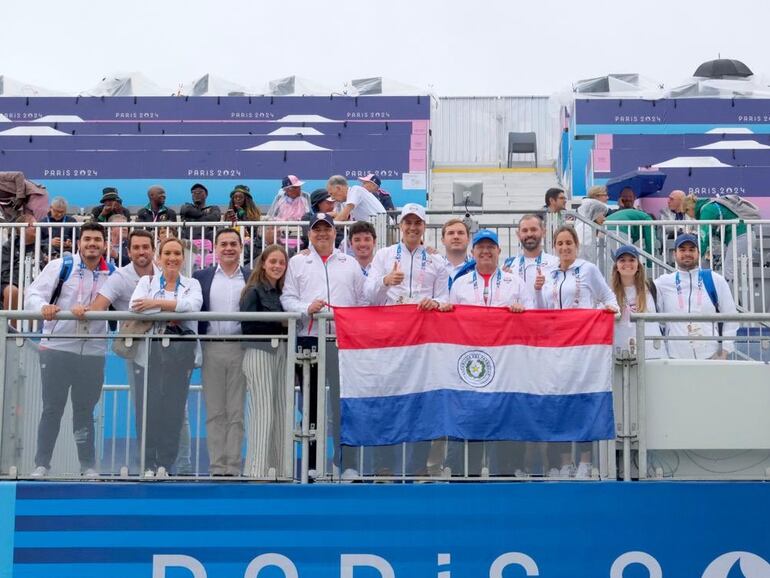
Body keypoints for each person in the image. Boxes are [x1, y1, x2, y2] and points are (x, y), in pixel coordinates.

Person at [24, 222, 114, 478]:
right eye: (87, 239)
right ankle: (42, 464)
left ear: (104, 245)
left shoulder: (112, 272)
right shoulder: (60, 266)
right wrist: (44, 307)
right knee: (52, 408)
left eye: (97, 239)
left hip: (94, 351)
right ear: (79, 243)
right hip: (57, 348)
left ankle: (87, 466)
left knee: (85, 411)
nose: (92, 244)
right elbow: (33, 294)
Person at [281, 213, 366, 476]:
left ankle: (347, 464)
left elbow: (362, 301)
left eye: (326, 229)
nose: (322, 234)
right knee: (311, 405)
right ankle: (312, 465)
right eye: (316, 230)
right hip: (310, 341)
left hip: (344, 343)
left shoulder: (349, 263)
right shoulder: (297, 262)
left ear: (334, 232)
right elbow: (287, 299)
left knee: (345, 405)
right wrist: (307, 309)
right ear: (309, 234)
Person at [535, 225, 618, 479]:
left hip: (583, 346)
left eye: (568, 243)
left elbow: (609, 298)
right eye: (559, 244)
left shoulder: (588, 269)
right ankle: (565, 461)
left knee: (582, 401)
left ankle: (584, 461)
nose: (564, 248)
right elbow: (541, 310)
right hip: (556, 347)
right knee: (559, 403)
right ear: (554, 247)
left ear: (576, 245)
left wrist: (606, 314)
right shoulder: (548, 273)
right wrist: (537, 290)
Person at [129, 237, 202, 477]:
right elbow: (135, 306)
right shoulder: (146, 280)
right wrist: (171, 306)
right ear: (158, 258)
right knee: (149, 408)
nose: (172, 258)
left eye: (177, 253)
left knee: (173, 409)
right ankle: (148, 463)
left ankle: (164, 464)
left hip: (181, 354)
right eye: (167, 253)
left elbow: (192, 306)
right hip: (149, 353)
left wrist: (155, 303)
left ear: (183, 258)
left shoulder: (192, 283)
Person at [192, 228, 251, 476]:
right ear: (215, 248)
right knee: (215, 411)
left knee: (236, 412)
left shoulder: (251, 276)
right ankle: (217, 467)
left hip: (240, 348)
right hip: (211, 348)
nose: (228, 248)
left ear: (241, 247)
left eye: (233, 244)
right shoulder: (201, 277)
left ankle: (233, 467)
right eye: (223, 244)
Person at [240, 244, 289, 478]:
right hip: (258, 351)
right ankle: (256, 470)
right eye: (273, 262)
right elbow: (247, 325)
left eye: (281, 262)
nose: (277, 266)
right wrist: (279, 323)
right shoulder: (253, 290)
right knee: (262, 412)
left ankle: (279, 468)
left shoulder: (284, 292)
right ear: (263, 264)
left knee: (280, 411)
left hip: (281, 352)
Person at [654, 234, 739, 360]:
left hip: (710, 356)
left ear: (698, 253)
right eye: (682, 250)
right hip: (675, 358)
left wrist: (725, 350)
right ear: (674, 254)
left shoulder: (715, 280)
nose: (687, 253)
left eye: (691, 249)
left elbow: (731, 316)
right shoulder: (663, 283)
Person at [365, 203, 449, 308]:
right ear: (401, 225)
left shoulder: (436, 259)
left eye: (418, 223)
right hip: (393, 320)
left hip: (423, 320)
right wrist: (385, 281)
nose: (413, 227)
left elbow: (444, 297)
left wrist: (435, 303)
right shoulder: (383, 254)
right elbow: (369, 295)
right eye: (408, 223)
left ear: (424, 226)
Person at [446, 229, 531, 310]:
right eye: (480, 247)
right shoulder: (459, 284)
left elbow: (530, 312)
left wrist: (522, 309)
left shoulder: (516, 283)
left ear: (499, 251)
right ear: (472, 253)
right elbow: (452, 318)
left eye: (490, 247)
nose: (486, 251)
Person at [610, 245, 665, 359]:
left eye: (632, 260)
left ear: (638, 266)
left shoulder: (651, 288)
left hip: (651, 353)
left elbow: (662, 317)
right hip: (621, 355)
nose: (627, 264)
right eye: (622, 260)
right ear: (616, 267)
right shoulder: (610, 294)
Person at [503, 214, 559, 304]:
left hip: (545, 316)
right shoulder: (509, 266)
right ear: (518, 234)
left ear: (543, 232)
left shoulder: (556, 263)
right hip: (519, 317)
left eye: (533, 229)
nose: (529, 234)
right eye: (525, 230)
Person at [696, 197, 750, 282]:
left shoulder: (707, 210)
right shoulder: (710, 206)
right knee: (730, 271)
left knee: (729, 271)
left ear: (689, 208)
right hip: (740, 236)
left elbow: (704, 238)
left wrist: (696, 256)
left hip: (740, 236)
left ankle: (727, 295)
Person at [2, 214, 48, 313]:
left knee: (35, 294)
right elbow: (5, 273)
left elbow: (53, 267)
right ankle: (11, 328)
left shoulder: (43, 246)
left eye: (37, 225)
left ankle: (33, 328)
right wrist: (22, 285)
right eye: (33, 225)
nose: (36, 228)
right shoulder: (9, 247)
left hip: (38, 284)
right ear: (22, 228)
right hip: (13, 283)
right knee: (12, 291)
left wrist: (49, 260)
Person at [265, 175, 312, 251]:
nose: (300, 189)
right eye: (296, 187)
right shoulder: (280, 201)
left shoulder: (305, 199)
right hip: (282, 236)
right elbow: (272, 217)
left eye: (299, 186)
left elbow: (308, 216)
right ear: (287, 190)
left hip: (301, 235)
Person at [605, 187, 654, 254]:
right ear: (620, 198)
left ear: (635, 198)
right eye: (624, 196)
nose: (628, 199)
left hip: (637, 247)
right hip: (615, 244)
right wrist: (621, 208)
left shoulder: (640, 214)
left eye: (630, 196)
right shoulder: (612, 213)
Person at [576, 198, 608, 262]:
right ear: (595, 213)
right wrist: (599, 239)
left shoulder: (589, 227)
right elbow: (592, 250)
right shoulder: (584, 228)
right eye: (603, 215)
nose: (604, 219)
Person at [440, 218, 471, 287]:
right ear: (443, 240)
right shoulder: (435, 266)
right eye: (451, 233)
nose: (456, 237)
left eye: (460, 233)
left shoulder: (477, 267)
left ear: (468, 239)